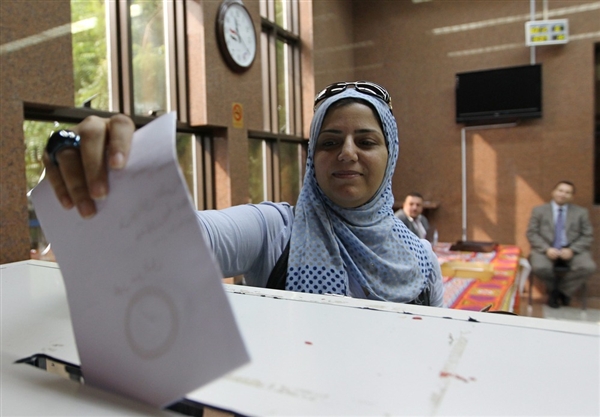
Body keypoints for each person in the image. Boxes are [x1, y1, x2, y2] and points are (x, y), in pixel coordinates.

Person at [42, 81, 444, 307]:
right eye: (329, 141)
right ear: (312, 159)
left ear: (390, 156)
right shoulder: (276, 231)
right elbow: (177, 239)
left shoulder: (421, 259)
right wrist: (118, 186)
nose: (347, 153)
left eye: (367, 141)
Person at [526, 181, 596, 308]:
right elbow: (532, 233)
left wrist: (572, 250)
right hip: (545, 248)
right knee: (540, 267)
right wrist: (546, 249)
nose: (563, 194)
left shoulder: (581, 212)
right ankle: (556, 291)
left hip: (571, 249)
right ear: (554, 192)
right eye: (560, 190)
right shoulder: (539, 211)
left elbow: (587, 235)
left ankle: (560, 292)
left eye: (567, 192)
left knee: (588, 267)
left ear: (572, 196)